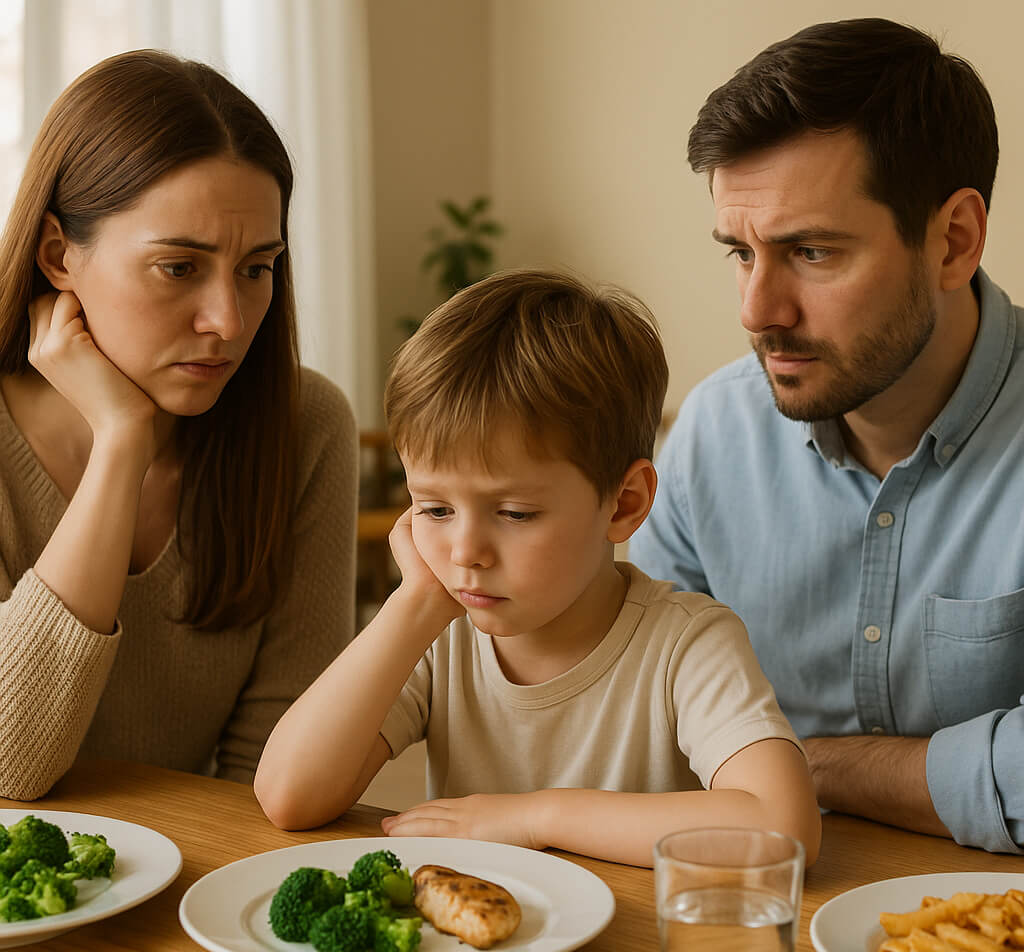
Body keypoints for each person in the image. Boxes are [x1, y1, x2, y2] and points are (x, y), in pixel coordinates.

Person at [254, 269, 821, 868]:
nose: (465, 551)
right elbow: (289, 797)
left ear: (624, 504)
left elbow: (783, 829)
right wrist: (412, 604)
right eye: (435, 508)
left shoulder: (687, 643)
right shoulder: (441, 634)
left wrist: (535, 815)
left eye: (515, 513)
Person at [631, 18, 1024, 853]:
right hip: (759, 922)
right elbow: (632, 707)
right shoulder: (714, 433)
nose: (755, 312)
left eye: (810, 252)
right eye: (739, 252)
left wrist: (810, 770)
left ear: (953, 240)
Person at [0, 51, 358, 799]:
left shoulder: (306, 429)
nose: (227, 321)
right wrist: (121, 445)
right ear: (59, 255)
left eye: (257, 269)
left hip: (198, 892)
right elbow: (8, 769)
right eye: (178, 268)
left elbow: (276, 780)